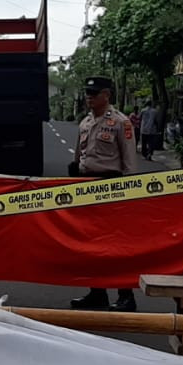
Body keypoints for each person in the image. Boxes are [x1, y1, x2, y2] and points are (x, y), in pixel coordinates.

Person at [69, 76, 139, 312]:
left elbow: (129, 161)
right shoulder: (85, 122)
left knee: (116, 245)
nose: (89, 96)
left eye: (94, 93)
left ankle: (126, 295)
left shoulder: (121, 122)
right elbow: (79, 155)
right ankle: (97, 292)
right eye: (88, 92)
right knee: (89, 243)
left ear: (106, 95)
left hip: (111, 187)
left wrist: (129, 192)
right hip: (86, 186)